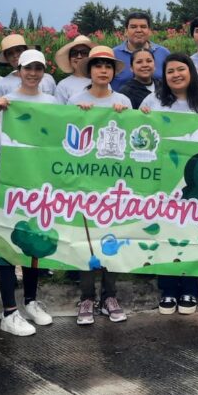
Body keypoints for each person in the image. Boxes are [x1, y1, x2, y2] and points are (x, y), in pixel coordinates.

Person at [141, 53, 198, 315]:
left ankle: (190, 288)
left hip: (196, 182)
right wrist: (137, 116)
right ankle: (167, 289)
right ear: (164, 77)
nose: (176, 75)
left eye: (181, 69)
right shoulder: (152, 101)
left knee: (191, 233)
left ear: (191, 72)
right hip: (161, 181)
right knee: (164, 232)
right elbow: (139, 133)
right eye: (170, 71)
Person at [0, 49, 57, 336]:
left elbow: (58, 140)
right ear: (18, 69)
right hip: (8, 180)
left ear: (44, 71)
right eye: (28, 68)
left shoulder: (52, 102)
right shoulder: (8, 102)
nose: (33, 73)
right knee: (5, 241)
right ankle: (9, 310)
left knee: (34, 240)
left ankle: (31, 300)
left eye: (38, 69)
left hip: (38, 182)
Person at [69, 45, 131, 325]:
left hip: (114, 183)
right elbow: (64, 137)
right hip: (84, 182)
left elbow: (132, 140)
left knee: (111, 240)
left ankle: (109, 296)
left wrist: (126, 117)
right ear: (89, 70)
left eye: (108, 66)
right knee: (86, 240)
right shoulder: (74, 100)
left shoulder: (123, 101)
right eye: (98, 66)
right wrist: (79, 116)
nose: (103, 70)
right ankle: (86, 298)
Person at [111, 12, 169, 92]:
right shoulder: (113, 55)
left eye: (143, 27)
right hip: (122, 104)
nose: (138, 30)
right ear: (126, 31)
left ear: (149, 31)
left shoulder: (163, 53)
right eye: (133, 27)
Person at [0, 34, 57, 98]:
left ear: (26, 51)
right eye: (10, 53)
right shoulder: (1, 85)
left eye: (18, 50)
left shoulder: (48, 80)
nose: (15, 55)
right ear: (6, 58)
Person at [53, 35, 95, 104]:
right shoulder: (63, 85)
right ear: (69, 58)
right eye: (74, 53)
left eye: (84, 53)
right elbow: (59, 112)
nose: (79, 56)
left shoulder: (101, 81)